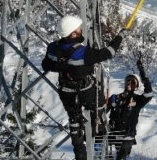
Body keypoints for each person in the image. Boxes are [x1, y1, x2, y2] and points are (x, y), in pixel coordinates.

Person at [42, 15, 126, 160]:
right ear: (73, 33)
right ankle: (97, 124)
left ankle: (80, 154)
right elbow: (109, 53)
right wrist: (120, 36)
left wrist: (64, 66)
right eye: (78, 28)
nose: (81, 29)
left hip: (66, 90)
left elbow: (46, 65)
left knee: (74, 120)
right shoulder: (82, 52)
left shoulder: (53, 48)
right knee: (98, 102)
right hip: (85, 90)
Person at [106, 58, 153, 160]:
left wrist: (143, 74)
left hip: (127, 136)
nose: (129, 83)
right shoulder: (115, 98)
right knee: (100, 150)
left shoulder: (137, 100)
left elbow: (149, 94)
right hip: (113, 134)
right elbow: (102, 110)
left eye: (133, 82)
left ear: (136, 86)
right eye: (128, 80)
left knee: (121, 157)